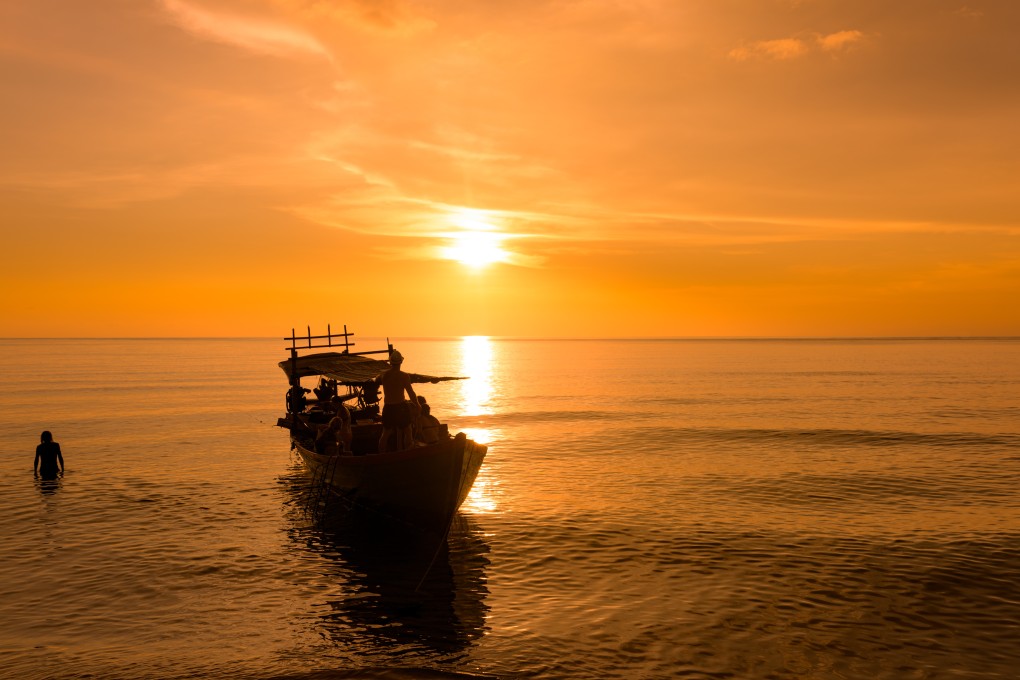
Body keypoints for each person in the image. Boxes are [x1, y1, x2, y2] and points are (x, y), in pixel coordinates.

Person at [376, 349, 418, 452]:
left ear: (390, 362)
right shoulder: (404, 376)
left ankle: (381, 455)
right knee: (407, 431)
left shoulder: (384, 375)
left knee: (385, 433)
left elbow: (376, 379)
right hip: (400, 407)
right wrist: (417, 404)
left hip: (388, 407)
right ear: (401, 362)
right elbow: (410, 393)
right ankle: (407, 452)